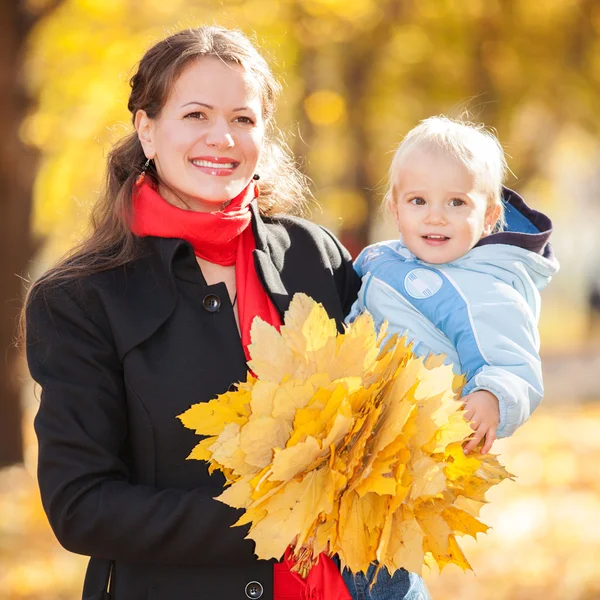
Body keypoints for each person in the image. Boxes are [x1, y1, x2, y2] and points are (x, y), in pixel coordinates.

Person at [24, 26, 362, 600]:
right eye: (197, 115)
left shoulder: (315, 256)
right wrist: (269, 519)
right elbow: (80, 506)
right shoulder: (80, 298)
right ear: (147, 130)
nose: (222, 138)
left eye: (243, 119)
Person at [345, 116, 558, 599]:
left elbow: (513, 365)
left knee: (379, 567)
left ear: (488, 217)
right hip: (355, 435)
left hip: (412, 454)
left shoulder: (487, 288)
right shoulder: (381, 260)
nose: (435, 216)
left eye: (456, 203)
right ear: (395, 209)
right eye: (418, 201)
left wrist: (491, 397)